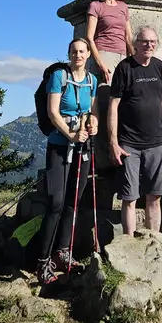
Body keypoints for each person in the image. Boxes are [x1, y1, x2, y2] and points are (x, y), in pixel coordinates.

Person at [37, 37, 100, 286]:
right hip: (60, 146)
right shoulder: (59, 77)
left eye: (82, 51)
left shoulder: (91, 81)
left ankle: (62, 252)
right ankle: (42, 261)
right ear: (68, 53)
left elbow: (91, 111)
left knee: (73, 203)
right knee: (56, 202)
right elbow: (53, 112)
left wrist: (92, 124)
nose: (78, 55)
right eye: (74, 51)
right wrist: (71, 134)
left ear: (88, 55)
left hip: (82, 148)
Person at [107, 26, 162, 236]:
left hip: (156, 142)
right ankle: (129, 246)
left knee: (155, 196)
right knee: (129, 197)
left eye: (152, 41)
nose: (149, 45)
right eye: (144, 41)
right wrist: (113, 143)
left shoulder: (159, 67)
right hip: (129, 144)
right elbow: (113, 106)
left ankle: (155, 244)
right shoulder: (124, 68)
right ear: (135, 44)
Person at [86, 0, 133, 90]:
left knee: (123, 92)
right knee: (106, 91)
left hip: (123, 54)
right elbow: (89, 38)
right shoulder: (96, 6)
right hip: (104, 52)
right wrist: (100, 64)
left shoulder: (123, 6)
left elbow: (128, 36)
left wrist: (134, 58)